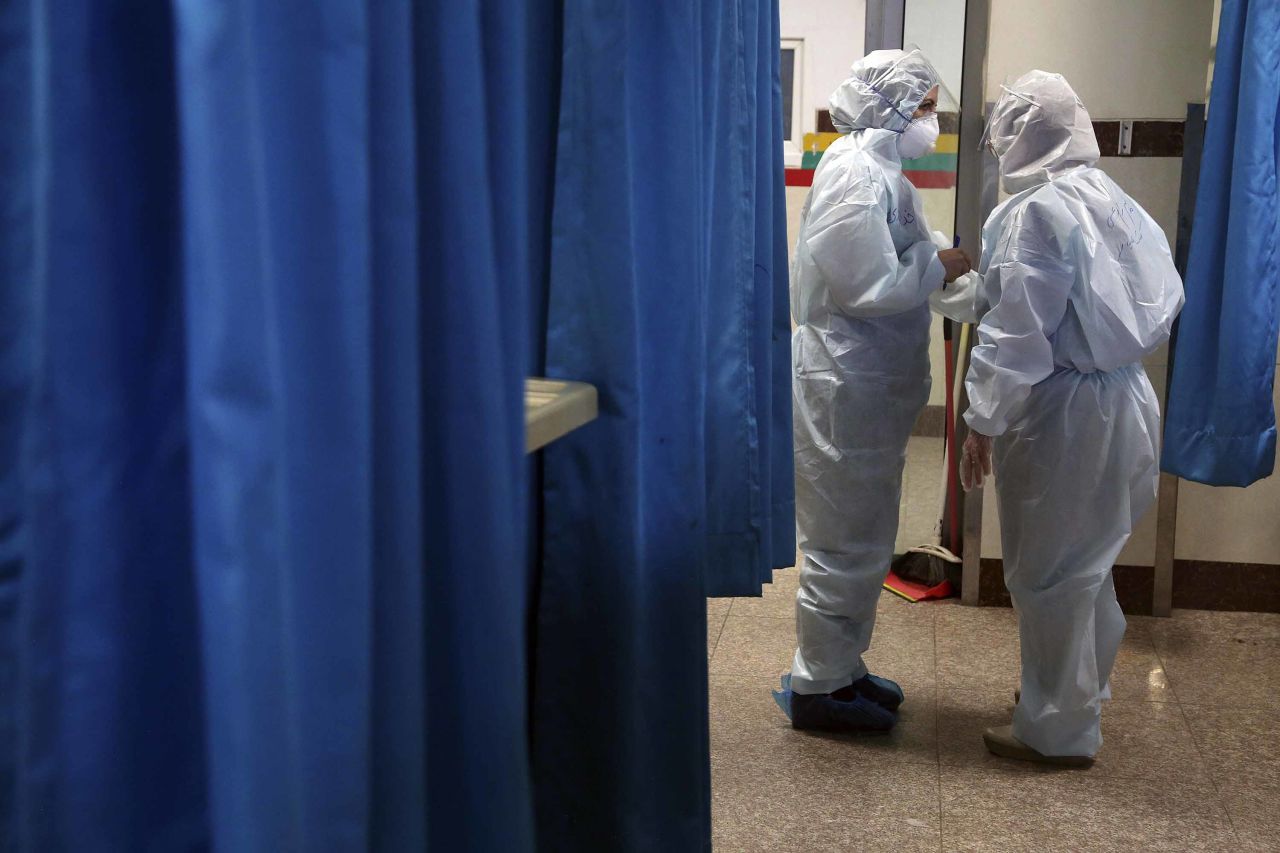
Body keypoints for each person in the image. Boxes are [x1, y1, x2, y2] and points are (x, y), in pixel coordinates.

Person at [959, 70, 1184, 765]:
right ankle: (1076, 692)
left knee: (1049, 571)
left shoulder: (1033, 213)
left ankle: (1055, 728)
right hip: (1123, 397)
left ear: (1021, 133)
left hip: (1064, 412)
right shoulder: (1110, 199)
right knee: (1089, 561)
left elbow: (1017, 334)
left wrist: (981, 419)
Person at [785, 48, 973, 733]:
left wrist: (950, 273)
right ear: (892, 107)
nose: (932, 120)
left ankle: (843, 665)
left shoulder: (886, 174)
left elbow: (903, 262)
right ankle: (818, 686)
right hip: (843, 380)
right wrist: (938, 263)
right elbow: (865, 285)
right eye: (924, 107)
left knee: (864, 531)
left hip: (868, 383)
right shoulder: (856, 173)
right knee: (842, 537)